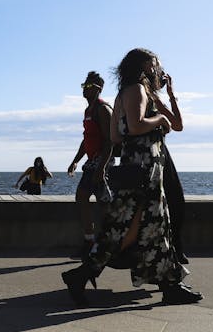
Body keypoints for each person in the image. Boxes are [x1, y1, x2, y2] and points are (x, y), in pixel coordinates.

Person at [61, 48, 202, 306]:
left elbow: (117, 137)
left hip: (134, 166)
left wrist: (169, 95)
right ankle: (83, 275)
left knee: (138, 227)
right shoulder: (137, 89)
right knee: (142, 226)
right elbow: (136, 125)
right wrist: (158, 119)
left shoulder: (130, 92)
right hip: (145, 168)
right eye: (154, 64)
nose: (158, 69)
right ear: (143, 66)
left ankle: (167, 284)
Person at [66, 71, 113, 255]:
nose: (84, 89)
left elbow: (109, 141)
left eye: (88, 86)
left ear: (98, 89)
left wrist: (101, 168)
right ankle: (93, 242)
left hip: (101, 163)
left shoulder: (103, 109)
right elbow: (87, 140)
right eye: (83, 86)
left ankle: (99, 244)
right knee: (90, 200)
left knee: (99, 203)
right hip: (91, 162)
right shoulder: (88, 111)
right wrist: (75, 161)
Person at [154, 66, 190, 264]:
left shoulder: (152, 97)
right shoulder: (148, 96)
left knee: (176, 202)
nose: (163, 79)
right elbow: (177, 125)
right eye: (160, 75)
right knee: (175, 202)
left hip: (161, 153)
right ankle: (174, 250)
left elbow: (177, 125)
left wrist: (171, 95)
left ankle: (175, 247)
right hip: (155, 154)